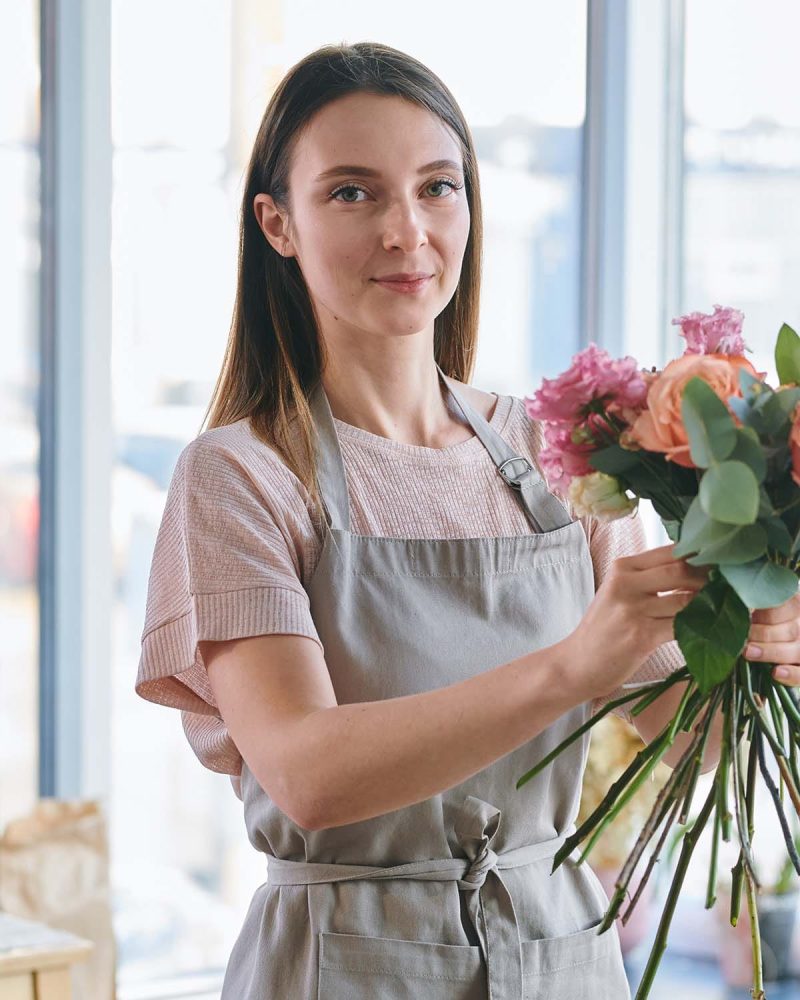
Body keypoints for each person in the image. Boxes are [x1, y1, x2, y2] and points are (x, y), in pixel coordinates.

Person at [135, 41, 800, 1000]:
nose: (408, 231)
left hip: (564, 953)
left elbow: (667, 722)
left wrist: (753, 649)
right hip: (347, 962)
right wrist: (575, 663)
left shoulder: (556, 452)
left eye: (438, 188)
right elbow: (308, 774)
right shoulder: (239, 474)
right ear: (277, 225)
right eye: (353, 193)